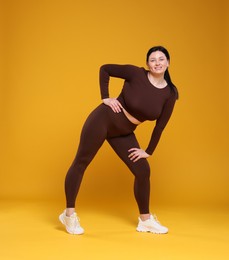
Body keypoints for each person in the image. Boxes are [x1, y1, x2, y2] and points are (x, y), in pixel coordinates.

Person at [59, 46, 178, 235]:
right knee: (81, 162)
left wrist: (148, 150)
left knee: (142, 170)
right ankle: (68, 215)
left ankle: (145, 221)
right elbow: (105, 68)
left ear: (168, 63)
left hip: (124, 132)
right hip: (104, 119)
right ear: (147, 64)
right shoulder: (135, 73)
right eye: (153, 60)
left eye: (161, 59)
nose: (157, 63)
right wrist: (105, 97)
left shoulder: (170, 93)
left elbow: (160, 126)